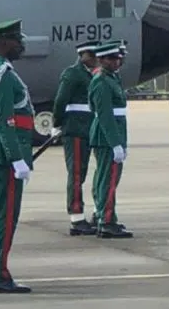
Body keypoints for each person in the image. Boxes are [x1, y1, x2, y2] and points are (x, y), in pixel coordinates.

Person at [0, 19, 34, 294]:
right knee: (4, 216)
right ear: (2, 43)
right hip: (3, 156)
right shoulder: (1, 73)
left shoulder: (1, 70)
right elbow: (4, 120)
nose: (20, 45)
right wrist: (16, 157)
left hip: (1, 153)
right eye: (16, 40)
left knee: (1, 215)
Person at [51, 41, 100, 236]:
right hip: (76, 130)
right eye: (93, 54)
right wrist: (56, 124)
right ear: (83, 55)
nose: (97, 58)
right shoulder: (72, 74)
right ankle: (76, 217)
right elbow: (61, 101)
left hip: (90, 129)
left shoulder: (93, 74)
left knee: (86, 172)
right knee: (77, 173)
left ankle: (97, 212)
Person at [89, 41, 133, 239]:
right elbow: (104, 114)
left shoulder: (111, 78)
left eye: (118, 58)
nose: (118, 61)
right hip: (107, 137)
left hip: (113, 134)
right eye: (113, 58)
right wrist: (115, 143)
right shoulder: (101, 81)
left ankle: (106, 216)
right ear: (102, 60)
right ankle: (105, 220)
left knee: (107, 178)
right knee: (108, 180)